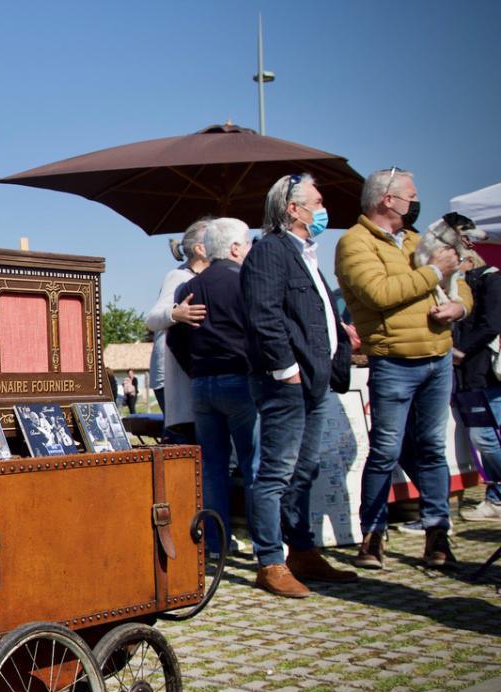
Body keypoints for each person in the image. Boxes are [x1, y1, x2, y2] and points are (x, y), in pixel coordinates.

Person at [336, 168, 472, 569]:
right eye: (411, 195)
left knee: (432, 450)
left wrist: (458, 304)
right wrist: (434, 272)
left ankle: (437, 538)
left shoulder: (416, 240)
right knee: (385, 451)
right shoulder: (353, 243)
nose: (416, 202)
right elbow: (379, 293)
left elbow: (459, 281)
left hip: (438, 356)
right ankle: (373, 538)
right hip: (394, 360)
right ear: (387, 200)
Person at [241, 174, 356, 598]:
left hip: (315, 380)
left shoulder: (305, 253)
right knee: (275, 473)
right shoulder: (270, 251)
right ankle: (270, 561)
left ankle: (301, 551)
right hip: (287, 382)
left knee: (305, 470)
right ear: (294, 209)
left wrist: (337, 334)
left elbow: (307, 312)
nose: (323, 209)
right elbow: (264, 315)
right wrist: (285, 368)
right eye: (318, 201)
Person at [166, 218, 259, 559]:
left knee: (212, 467)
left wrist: (198, 370)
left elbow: (174, 338)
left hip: (203, 384)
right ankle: (266, 547)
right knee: (253, 465)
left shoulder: (190, 287)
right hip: (240, 379)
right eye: (248, 243)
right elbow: (258, 330)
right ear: (235, 248)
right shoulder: (247, 281)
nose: (250, 250)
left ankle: (216, 545)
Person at [146, 218, 210, 439]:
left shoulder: (207, 278)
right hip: (173, 377)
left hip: (190, 372)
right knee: (186, 438)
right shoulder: (179, 277)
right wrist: (175, 313)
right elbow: (152, 319)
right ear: (200, 249)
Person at [453, 260, 501, 520]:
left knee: (484, 437)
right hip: (470, 375)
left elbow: (491, 324)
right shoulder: (462, 283)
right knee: (484, 437)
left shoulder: (491, 280)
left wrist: (461, 350)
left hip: (486, 374)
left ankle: (498, 497)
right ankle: (496, 498)